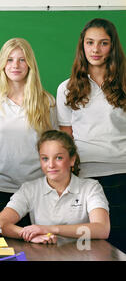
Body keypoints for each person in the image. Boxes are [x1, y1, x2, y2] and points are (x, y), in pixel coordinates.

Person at [56, 18, 126, 252]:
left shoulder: (124, 84)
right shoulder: (67, 88)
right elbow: (67, 139)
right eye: (90, 42)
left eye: (103, 43)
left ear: (112, 47)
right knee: (88, 248)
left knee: (120, 242)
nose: (95, 49)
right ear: (82, 46)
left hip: (121, 175)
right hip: (85, 178)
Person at [0, 130, 110, 244]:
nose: (51, 165)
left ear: (72, 160)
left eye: (58, 158)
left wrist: (50, 229)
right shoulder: (29, 189)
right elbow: (0, 223)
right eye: (45, 158)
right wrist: (30, 235)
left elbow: (102, 229)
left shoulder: (91, 187)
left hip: (84, 254)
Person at [0, 38, 57, 224]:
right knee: (0, 248)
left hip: (37, 190)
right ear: (2, 64)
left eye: (22, 59)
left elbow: (55, 146)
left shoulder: (47, 102)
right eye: (10, 60)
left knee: (37, 247)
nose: (15, 65)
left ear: (30, 64)